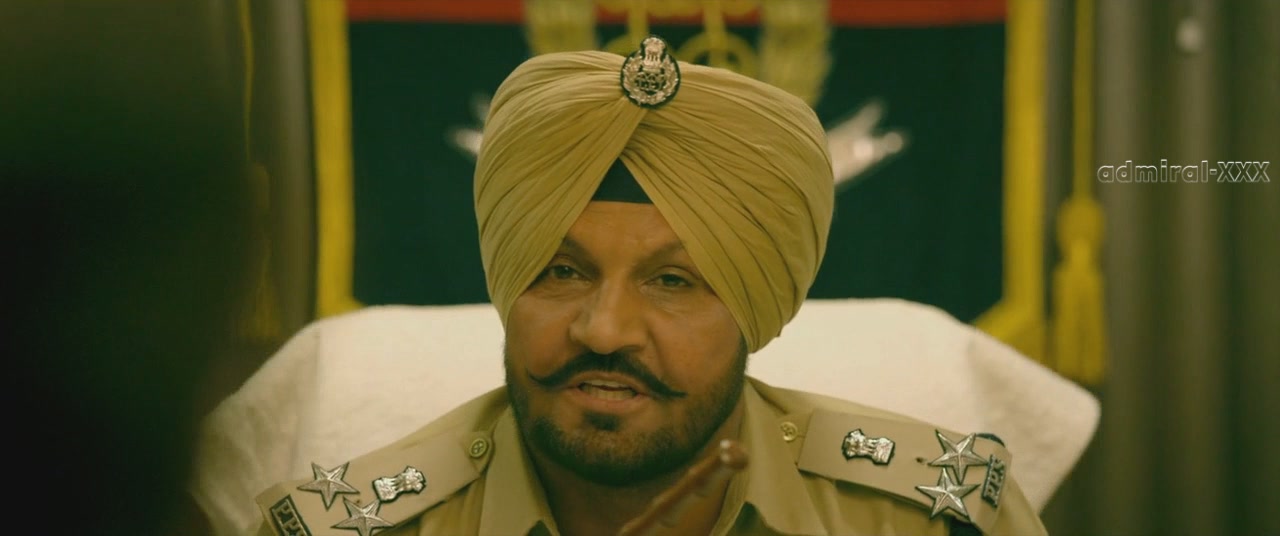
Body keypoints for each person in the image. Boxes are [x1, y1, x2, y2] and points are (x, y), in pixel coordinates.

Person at [253, 36, 1047, 536]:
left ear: (756, 307)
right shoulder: (350, 528)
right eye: (561, 271)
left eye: (672, 281)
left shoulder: (930, 518)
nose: (604, 330)